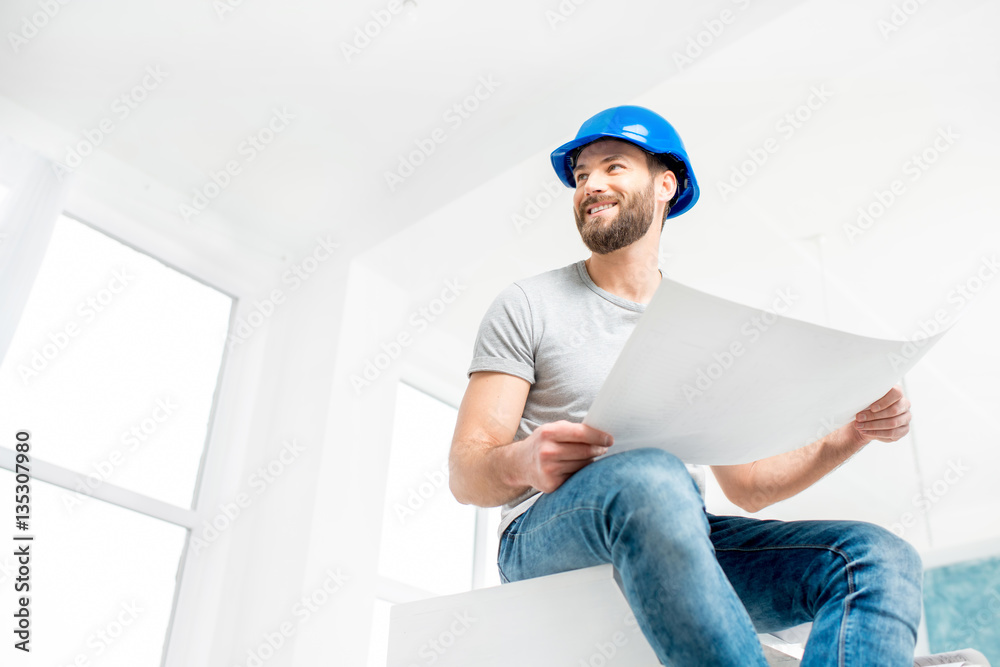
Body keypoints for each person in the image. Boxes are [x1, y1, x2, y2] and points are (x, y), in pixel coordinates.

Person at [448, 105, 923, 666]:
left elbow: (747, 486)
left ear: (666, 184)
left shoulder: (700, 328)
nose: (590, 185)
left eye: (613, 167)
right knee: (652, 476)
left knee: (877, 559)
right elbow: (466, 472)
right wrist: (525, 462)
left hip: (681, 536)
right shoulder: (528, 305)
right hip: (545, 532)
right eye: (580, 176)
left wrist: (849, 435)